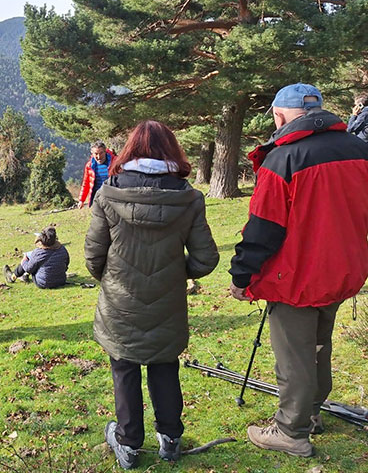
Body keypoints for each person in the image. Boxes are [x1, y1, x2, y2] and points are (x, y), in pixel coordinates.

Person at [229, 83, 368, 457]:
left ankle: (291, 430)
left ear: (279, 115)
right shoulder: (360, 150)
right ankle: (311, 414)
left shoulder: (284, 159)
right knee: (320, 347)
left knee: (295, 355)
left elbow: (263, 228)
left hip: (295, 277)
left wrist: (241, 276)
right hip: (344, 270)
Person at [84, 120, 219, 469]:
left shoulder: (108, 194)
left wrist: (115, 279)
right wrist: (173, 275)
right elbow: (206, 258)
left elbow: (93, 257)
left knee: (124, 367)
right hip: (167, 302)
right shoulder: (188, 197)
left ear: (129, 150)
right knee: (164, 366)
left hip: (120, 302)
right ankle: (170, 439)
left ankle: (128, 443)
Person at [4, 226, 70, 289]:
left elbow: (28, 268)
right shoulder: (62, 249)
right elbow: (67, 262)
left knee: (29, 257)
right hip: (61, 281)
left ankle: (12, 277)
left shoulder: (38, 253)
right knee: (35, 261)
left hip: (44, 283)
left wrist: (24, 260)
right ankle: (24, 276)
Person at [78, 140, 115, 209]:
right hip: (97, 197)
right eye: (96, 154)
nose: (99, 156)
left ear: (105, 152)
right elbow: (86, 183)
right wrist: (81, 200)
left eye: (101, 153)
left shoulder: (114, 162)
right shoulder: (89, 166)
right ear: (92, 154)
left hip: (112, 197)